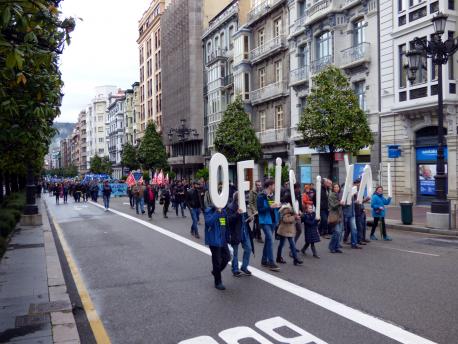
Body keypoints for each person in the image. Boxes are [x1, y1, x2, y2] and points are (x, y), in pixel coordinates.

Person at [256, 179, 280, 271]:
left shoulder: (273, 196)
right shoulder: (261, 196)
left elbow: (274, 208)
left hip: (273, 220)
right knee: (270, 239)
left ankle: (264, 260)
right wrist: (270, 207)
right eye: (274, 185)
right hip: (265, 221)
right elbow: (260, 210)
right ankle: (271, 262)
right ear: (270, 186)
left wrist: (278, 206)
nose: (274, 187)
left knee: (268, 241)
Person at [205, 205, 230, 290]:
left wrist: (227, 237)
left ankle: (215, 272)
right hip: (214, 240)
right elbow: (208, 222)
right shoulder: (209, 210)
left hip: (222, 240)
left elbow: (224, 224)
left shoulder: (224, 211)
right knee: (217, 262)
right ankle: (218, 282)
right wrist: (217, 212)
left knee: (227, 258)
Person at [227, 192, 253, 276]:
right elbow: (228, 220)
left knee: (248, 249)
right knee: (235, 252)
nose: (244, 199)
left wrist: (249, 218)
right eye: (242, 198)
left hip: (244, 231)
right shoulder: (230, 207)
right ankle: (235, 269)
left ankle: (244, 267)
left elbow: (245, 217)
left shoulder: (243, 206)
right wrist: (237, 214)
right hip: (235, 232)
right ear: (237, 199)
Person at [276, 192, 303, 266]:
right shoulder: (286, 208)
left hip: (287, 229)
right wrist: (295, 217)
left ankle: (280, 258)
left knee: (283, 244)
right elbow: (285, 219)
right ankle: (295, 259)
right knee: (291, 244)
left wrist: (297, 214)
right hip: (285, 228)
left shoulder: (289, 207)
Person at [342, 182, 362, 249]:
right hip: (345, 213)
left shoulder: (352, 193)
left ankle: (354, 244)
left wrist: (355, 201)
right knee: (343, 229)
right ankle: (338, 243)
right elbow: (343, 203)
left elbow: (351, 203)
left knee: (354, 229)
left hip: (352, 213)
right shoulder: (343, 192)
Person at [328, 183, 344, 253]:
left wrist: (343, 204)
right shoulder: (331, 195)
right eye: (335, 187)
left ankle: (336, 247)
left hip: (340, 215)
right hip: (334, 215)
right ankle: (331, 247)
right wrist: (340, 203)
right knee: (336, 232)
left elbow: (342, 205)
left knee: (339, 232)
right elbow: (333, 205)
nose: (336, 188)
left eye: (337, 187)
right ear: (333, 188)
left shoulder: (339, 195)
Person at [354, 179, 370, 245]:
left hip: (362, 210)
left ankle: (363, 238)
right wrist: (364, 200)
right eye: (359, 183)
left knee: (363, 225)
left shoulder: (360, 191)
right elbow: (355, 202)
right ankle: (359, 240)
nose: (360, 185)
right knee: (359, 226)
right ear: (356, 184)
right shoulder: (354, 192)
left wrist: (365, 201)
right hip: (357, 211)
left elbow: (361, 202)